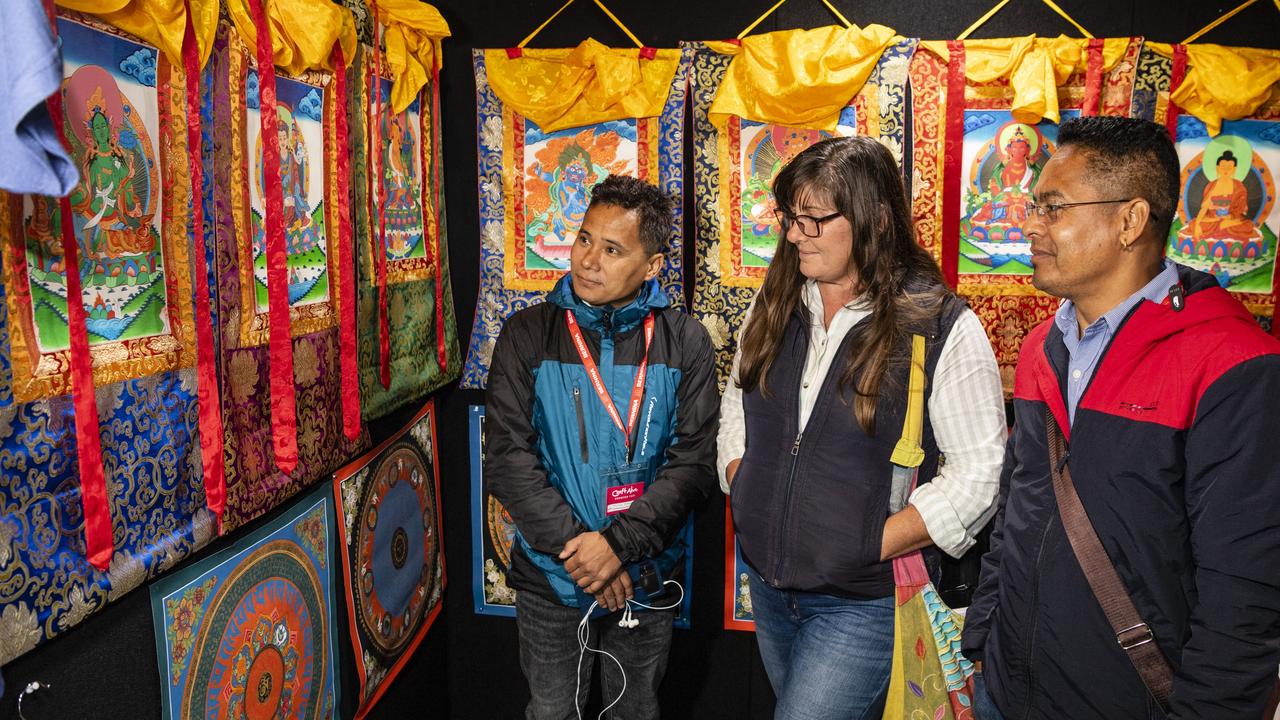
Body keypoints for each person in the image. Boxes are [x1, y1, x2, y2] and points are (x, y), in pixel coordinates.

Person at [960, 116, 1280, 719]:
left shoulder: (1231, 364)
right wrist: (983, 641)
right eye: (1034, 206)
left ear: (1130, 221)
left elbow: (1246, 589)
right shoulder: (1041, 349)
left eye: (1053, 208)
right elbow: (1018, 512)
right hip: (1008, 689)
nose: (1031, 225)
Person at [719, 135, 1007, 719]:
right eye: (790, 218)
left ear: (874, 220)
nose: (795, 234)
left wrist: (865, 544)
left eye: (814, 220)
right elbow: (736, 410)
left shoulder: (938, 323)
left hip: (863, 601)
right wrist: (744, 484)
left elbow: (981, 472)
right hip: (771, 590)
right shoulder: (774, 303)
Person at [487, 174, 719, 720]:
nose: (588, 259)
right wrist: (583, 553)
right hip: (552, 579)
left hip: (647, 575)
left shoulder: (685, 342)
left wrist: (618, 547)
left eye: (612, 249)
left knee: (636, 709)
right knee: (550, 711)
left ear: (653, 265)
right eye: (585, 238)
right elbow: (507, 458)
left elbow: (692, 464)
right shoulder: (527, 333)